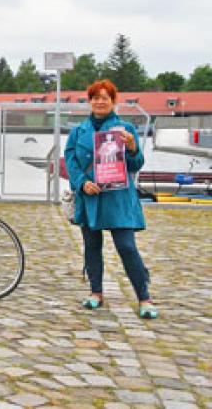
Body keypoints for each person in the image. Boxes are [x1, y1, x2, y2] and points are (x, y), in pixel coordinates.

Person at [64, 79, 157, 319]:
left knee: (126, 246)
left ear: (113, 101)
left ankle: (144, 297)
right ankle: (96, 292)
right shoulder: (78, 132)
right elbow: (71, 163)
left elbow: (136, 164)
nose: (100, 101)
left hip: (118, 198)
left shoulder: (125, 129)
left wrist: (133, 147)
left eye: (105, 97)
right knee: (92, 246)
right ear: (90, 101)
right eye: (95, 97)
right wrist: (82, 183)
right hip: (90, 196)